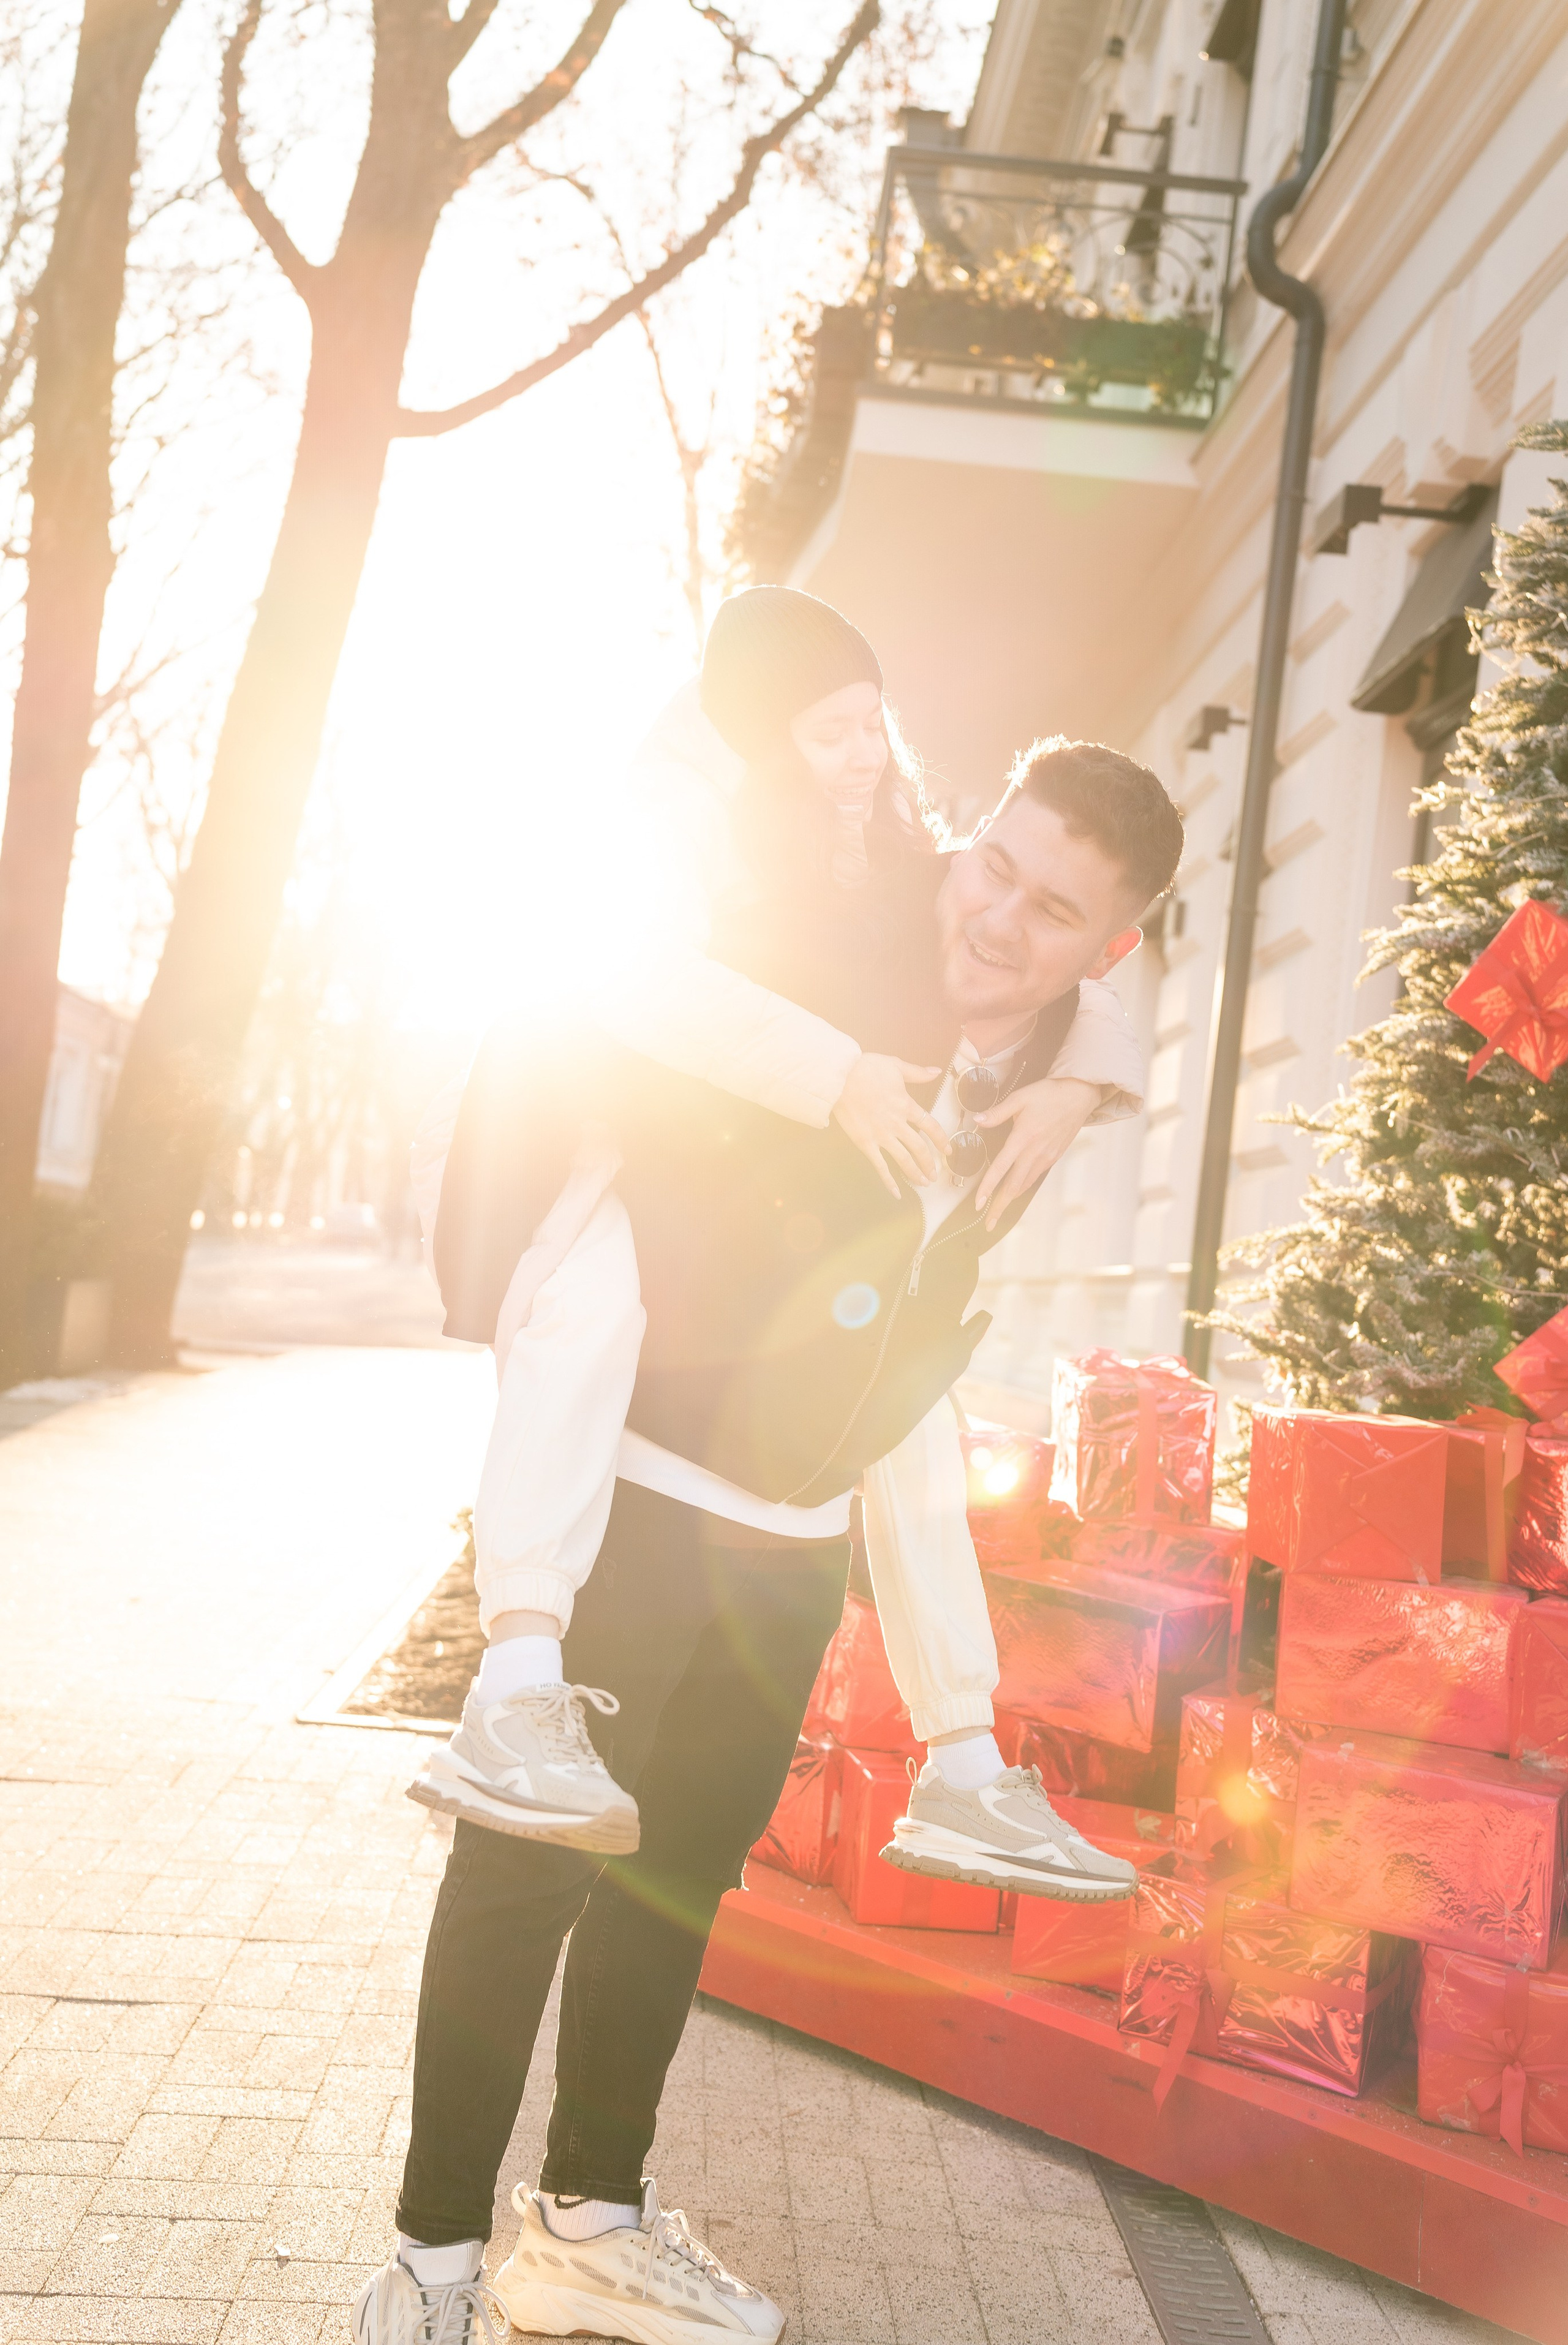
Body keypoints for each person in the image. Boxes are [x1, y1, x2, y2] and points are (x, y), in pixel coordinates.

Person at [353, 731, 1185, 2345]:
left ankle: (589, 2221)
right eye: (992, 865)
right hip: (638, 1503)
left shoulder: (1054, 1065)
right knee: (522, 1877)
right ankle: (432, 2264)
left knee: (675, 1886)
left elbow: (1143, 1011)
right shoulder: (832, 946)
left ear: (1109, 944)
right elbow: (631, 956)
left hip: (795, 1546)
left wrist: (1093, 1071)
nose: (997, 918)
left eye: (1054, 906)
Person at [405, 590, 1144, 1868]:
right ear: (757, 744)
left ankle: (962, 1761)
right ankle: (514, 1678)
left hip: (738, 1223)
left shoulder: (889, 852)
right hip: (591, 1154)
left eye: (872, 724)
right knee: (585, 1324)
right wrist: (839, 1071)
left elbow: (1088, 936)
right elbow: (628, 978)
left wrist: (1082, 1075)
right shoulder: (689, 822)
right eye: (828, 733)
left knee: (910, 1427)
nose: (862, 756)